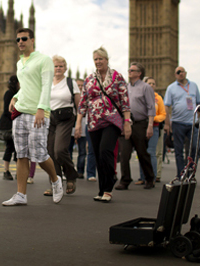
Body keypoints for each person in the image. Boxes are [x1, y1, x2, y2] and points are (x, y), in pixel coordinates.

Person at [2, 28, 64, 206]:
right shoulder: (20, 62)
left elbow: (46, 86)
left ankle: (55, 180)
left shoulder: (44, 60)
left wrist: (41, 108)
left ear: (32, 40)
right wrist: (16, 96)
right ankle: (21, 194)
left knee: (39, 154)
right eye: (18, 39)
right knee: (21, 155)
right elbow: (28, 86)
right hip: (20, 112)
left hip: (37, 113)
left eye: (23, 39)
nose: (20, 42)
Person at [75, 47, 131, 203]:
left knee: (105, 151)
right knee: (99, 155)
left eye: (101, 59)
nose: (98, 62)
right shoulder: (89, 79)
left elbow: (125, 101)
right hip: (93, 122)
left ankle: (108, 186)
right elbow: (83, 103)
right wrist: (79, 123)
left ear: (107, 60)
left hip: (111, 121)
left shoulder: (117, 77)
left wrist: (127, 122)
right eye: (95, 59)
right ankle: (102, 189)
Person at [116, 63, 156, 190]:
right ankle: (125, 180)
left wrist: (150, 125)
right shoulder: (125, 87)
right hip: (127, 123)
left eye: (132, 70)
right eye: (129, 70)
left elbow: (151, 107)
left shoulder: (146, 88)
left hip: (140, 124)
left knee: (142, 153)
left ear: (139, 73)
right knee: (124, 154)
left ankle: (149, 178)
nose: (129, 71)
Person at [46, 55, 80, 195]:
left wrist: (78, 124)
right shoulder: (46, 82)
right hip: (50, 118)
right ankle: (56, 184)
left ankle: (71, 175)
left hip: (65, 118)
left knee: (59, 150)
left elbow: (79, 105)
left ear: (65, 68)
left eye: (61, 66)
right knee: (50, 154)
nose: (58, 68)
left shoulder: (71, 83)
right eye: (55, 66)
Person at [163, 66, 200, 178]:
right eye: (178, 72)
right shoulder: (171, 88)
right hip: (177, 122)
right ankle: (181, 173)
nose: (180, 74)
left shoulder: (193, 86)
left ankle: (190, 170)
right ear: (175, 75)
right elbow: (166, 106)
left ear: (186, 73)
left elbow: (199, 104)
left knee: (194, 147)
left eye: (182, 72)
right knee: (178, 150)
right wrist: (167, 123)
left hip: (193, 123)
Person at [137, 77, 166, 183]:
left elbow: (163, 115)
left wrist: (152, 117)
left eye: (153, 83)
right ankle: (142, 177)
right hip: (140, 127)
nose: (152, 85)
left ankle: (151, 177)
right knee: (141, 152)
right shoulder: (139, 96)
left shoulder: (158, 98)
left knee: (151, 152)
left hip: (154, 127)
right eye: (149, 83)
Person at [0, 75, 18, 180]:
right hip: (10, 126)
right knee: (10, 148)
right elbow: (7, 111)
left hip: (15, 124)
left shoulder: (18, 94)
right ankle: (6, 171)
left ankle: (18, 171)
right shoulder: (9, 94)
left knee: (17, 150)